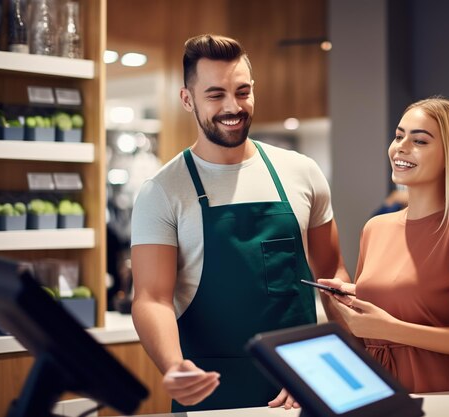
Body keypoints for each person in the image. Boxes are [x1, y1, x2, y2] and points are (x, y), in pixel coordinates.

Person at [130, 34, 349, 412]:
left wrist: (327, 366)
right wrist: (173, 365)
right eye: (215, 95)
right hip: (212, 394)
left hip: (301, 389)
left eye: (242, 91)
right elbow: (152, 298)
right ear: (187, 99)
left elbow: (333, 275)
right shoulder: (163, 191)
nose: (233, 106)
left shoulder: (301, 172)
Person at [319, 97, 449, 393]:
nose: (401, 147)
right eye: (398, 136)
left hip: (435, 397)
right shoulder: (375, 228)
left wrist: (391, 330)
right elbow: (400, 302)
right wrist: (352, 298)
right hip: (374, 393)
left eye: (419, 140)